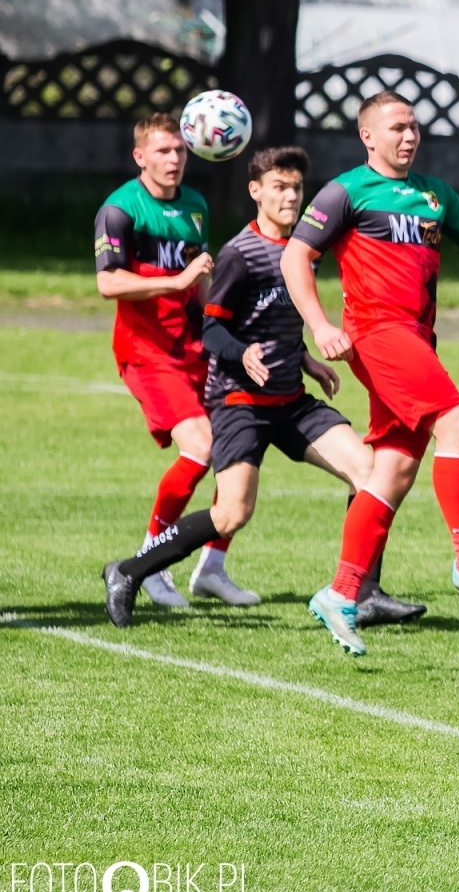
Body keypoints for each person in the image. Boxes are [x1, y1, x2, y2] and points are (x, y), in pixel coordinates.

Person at [101, 148, 423, 627]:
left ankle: (364, 591)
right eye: (279, 187)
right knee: (232, 513)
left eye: (295, 188)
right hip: (240, 403)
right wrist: (241, 353)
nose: (290, 196)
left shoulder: (301, 252)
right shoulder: (239, 254)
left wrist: (307, 360)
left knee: (371, 472)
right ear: (256, 192)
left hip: (291, 401)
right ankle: (129, 570)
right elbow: (211, 329)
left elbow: (278, 322)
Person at [280, 91, 459, 656]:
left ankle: (341, 592)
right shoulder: (346, 190)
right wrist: (319, 325)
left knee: (390, 473)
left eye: (414, 127)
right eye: (397, 127)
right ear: (368, 136)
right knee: (458, 422)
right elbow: (296, 256)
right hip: (376, 332)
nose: (409, 136)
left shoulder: (433, 193)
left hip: (416, 338)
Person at [93, 112, 251, 608]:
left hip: (192, 346)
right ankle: (152, 561)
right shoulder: (120, 209)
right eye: (163, 151)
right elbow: (108, 283)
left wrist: (225, 326)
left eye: (180, 151)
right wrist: (176, 281)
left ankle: (213, 567)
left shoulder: (196, 206)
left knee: (242, 436)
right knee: (200, 448)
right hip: (146, 352)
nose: (174, 159)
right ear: (140, 157)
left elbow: (199, 281)